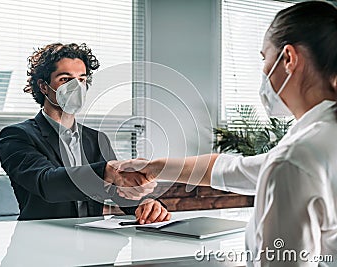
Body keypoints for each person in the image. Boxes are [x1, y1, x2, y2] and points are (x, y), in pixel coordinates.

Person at [118, 1, 337, 265]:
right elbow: (238, 169)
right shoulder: (318, 140)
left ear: (288, 59)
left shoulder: (295, 159)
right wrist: (155, 167)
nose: (265, 70)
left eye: (264, 58)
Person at [0, 43, 170, 224]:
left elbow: (118, 191)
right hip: (41, 240)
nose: (76, 87)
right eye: (65, 79)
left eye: (81, 79)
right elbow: (46, 183)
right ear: (43, 86)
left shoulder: (96, 139)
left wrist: (146, 203)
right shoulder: (16, 136)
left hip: (92, 240)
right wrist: (106, 172)